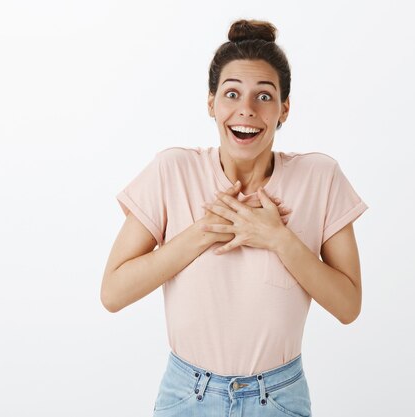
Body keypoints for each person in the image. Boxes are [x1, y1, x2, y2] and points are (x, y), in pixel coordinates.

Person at [100, 19, 368, 417]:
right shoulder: (173, 171)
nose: (246, 110)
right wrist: (203, 232)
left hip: (278, 397)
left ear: (284, 109)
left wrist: (277, 237)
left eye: (264, 96)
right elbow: (113, 293)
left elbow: (349, 306)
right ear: (211, 103)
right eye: (231, 94)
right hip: (186, 396)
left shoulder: (320, 177)